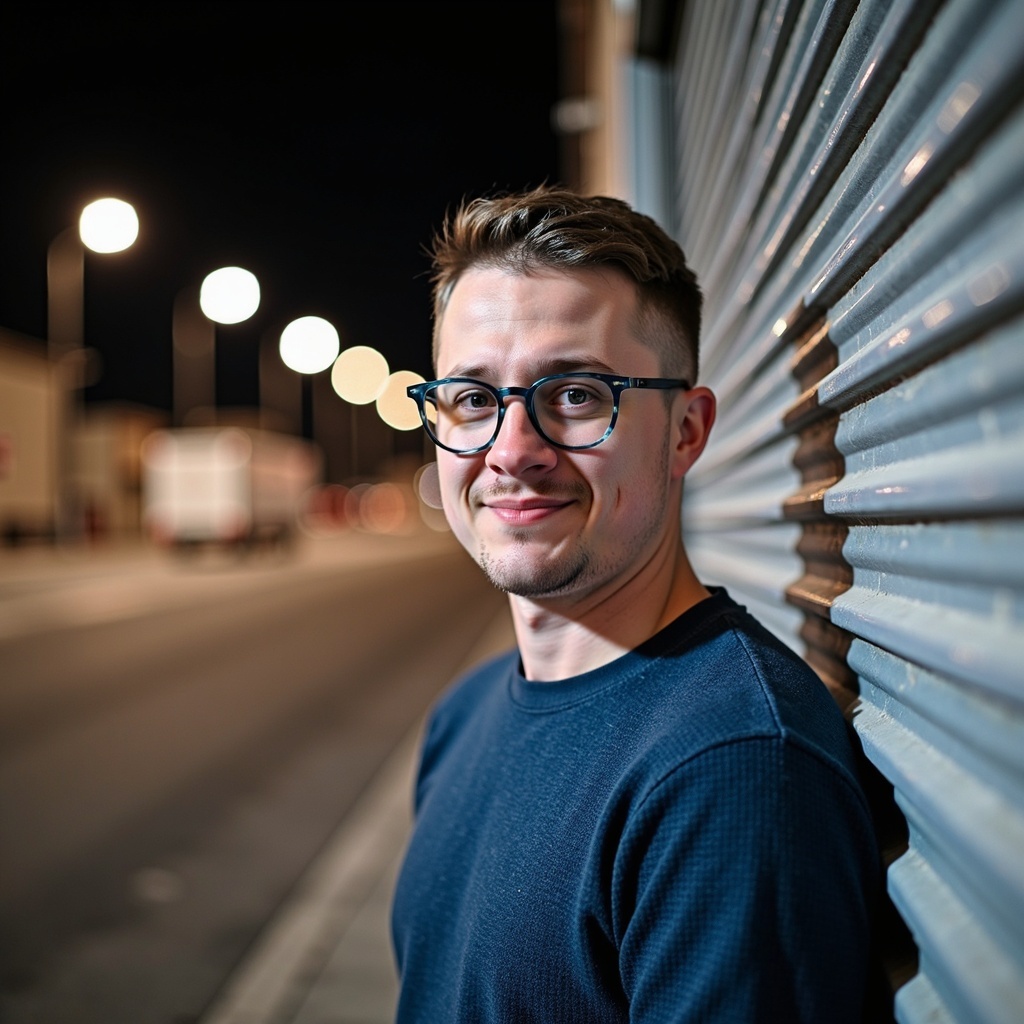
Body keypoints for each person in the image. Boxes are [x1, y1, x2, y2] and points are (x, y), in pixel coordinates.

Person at [390, 185, 882, 1023]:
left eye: (576, 395)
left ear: (685, 431)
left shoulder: (732, 768)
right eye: (473, 400)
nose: (512, 452)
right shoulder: (462, 718)